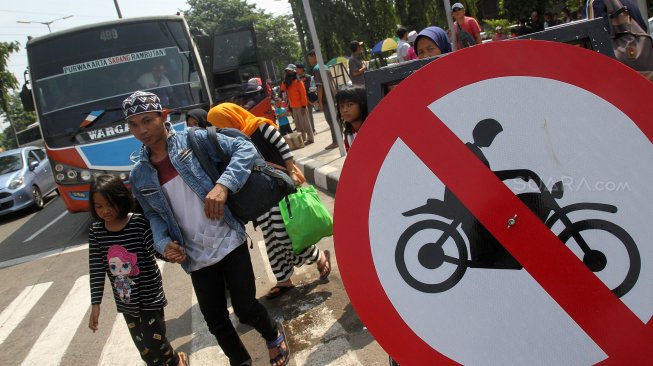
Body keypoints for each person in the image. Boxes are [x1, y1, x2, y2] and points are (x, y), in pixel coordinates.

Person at [125, 91, 290, 366]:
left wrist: (223, 185)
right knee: (215, 320)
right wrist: (162, 242)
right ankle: (240, 361)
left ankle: (273, 335)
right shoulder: (139, 174)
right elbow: (153, 215)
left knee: (246, 309)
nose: (141, 130)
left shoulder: (194, 139)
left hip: (228, 238)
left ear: (163, 117)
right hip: (194, 255)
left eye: (147, 121)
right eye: (133, 124)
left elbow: (245, 149)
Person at [206, 103, 332, 299]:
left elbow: (283, 147)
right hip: (261, 195)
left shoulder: (259, 126)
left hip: (281, 185)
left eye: (220, 124)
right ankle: (283, 279)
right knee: (271, 238)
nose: (219, 129)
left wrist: (291, 171)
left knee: (283, 234)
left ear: (230, 118)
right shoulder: (231, 141)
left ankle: (319, 256)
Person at [87, 174, 189, 366]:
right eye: (98, 206)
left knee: (154, 341)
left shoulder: (138, 223)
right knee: (146, 353)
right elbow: (97, 268)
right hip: (127, 302)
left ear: (121, 199)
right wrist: (95, 303)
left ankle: (176, 361)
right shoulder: (96, 232)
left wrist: (170, 254)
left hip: (150, 296)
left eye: (110, 204)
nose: (105, 211)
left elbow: (155, 249)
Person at [307, 50, 339, 150]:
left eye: (309, 58)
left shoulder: (316, 69)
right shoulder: (324, 66)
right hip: (333, 95)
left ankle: (336, 141)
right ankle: (338, 139)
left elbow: (320, 87)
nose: (309, 61)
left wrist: (320, 101)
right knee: (335, 119)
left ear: (314, 57)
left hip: (326, 98)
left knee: (331, 120)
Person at [281, 64, 314, 145]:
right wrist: (284, 81)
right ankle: (302, 139)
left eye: (290, 71)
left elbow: (303, 95)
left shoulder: (299, 82)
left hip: (301, 106)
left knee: (306, 124)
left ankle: (310, 139)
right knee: (298, 126)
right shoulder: (288, 83)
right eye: (287, 71)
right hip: (293, 107)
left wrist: (303, 106)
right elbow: (282, 90)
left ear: (294, 72)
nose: (288, 72)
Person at [335, 85, 368, 152]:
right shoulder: (348, 133)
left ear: (362, 104)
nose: (344, 110)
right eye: (341, 106)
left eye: (350, 104)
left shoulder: (373, 129)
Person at [295, 63, 315, 133]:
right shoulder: (295, 78)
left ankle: (312, 129)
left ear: (301, 69)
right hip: (299, 100)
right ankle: (307, 131)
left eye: (297, 69)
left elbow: (308, 87)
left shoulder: (308, 77)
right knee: (302, 117)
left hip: (308, 99)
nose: (296, 70)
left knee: (309, 115)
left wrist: (302, 83)